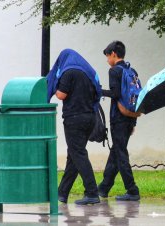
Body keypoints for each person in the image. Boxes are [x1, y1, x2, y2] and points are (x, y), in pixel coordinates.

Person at [46, 49, 102, 205]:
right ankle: (62, 193)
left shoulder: (68, 72)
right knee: (74, 155)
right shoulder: (88, 72)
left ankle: (92, 192)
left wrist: (54, 84)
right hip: (90, 117)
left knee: (78, 153)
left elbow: (61, 95)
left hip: (74, 119)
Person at [97, 41, 141, 201]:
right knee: (116, 152)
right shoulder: (132, 70)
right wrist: (133, 121)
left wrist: (99, 91)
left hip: (118, 119)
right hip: (129, 117)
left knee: (120, 154)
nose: (107, 60)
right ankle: (103, 187)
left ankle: (132, 189)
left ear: (114, 54)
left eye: (108, 56)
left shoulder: (114, 71)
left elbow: (115, 94)